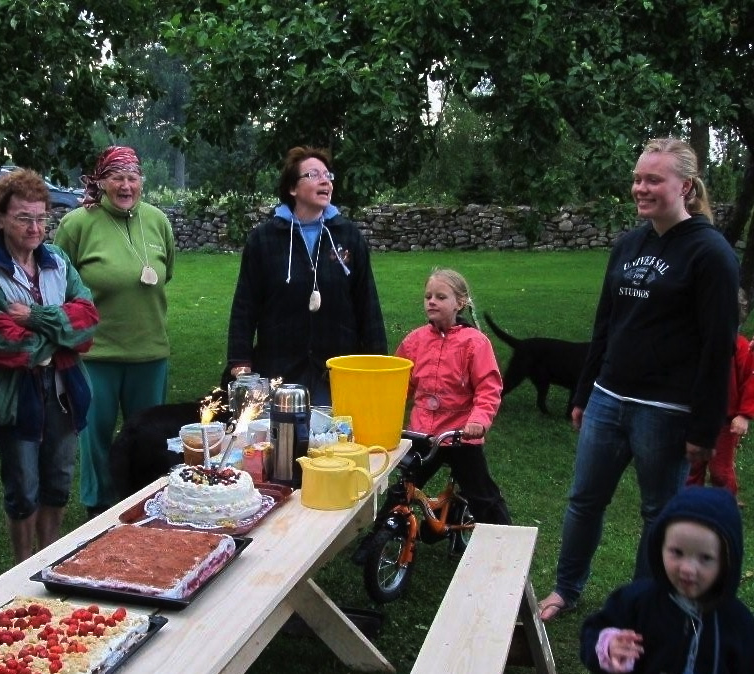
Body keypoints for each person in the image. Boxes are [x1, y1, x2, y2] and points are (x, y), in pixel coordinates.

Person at [538, 137, 740, 622]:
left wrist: (703, 427)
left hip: (666, 413)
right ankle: (566, 588)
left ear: (686, 187)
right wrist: (584, 391)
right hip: (608, 400)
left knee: (658, 515)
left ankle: (646, 607)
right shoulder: (629, 244)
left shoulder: (711, 254)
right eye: (637, 178)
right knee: (585, 500)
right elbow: (604, 325)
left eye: (653, 179)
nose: (640, 188)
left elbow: (719, 349)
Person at [0, 169, 99, 563]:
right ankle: (21, 569)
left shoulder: (57, 261)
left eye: (41, 218)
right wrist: (59, 334)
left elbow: (87, 324)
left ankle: (49, 560)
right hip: (12, 395)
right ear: (0, 217)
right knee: (23, 488)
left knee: (57, 482)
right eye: (23, 218)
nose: (35, 228)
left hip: (63, 390)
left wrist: (36, 317)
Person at [353, 268, 508, 564]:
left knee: (482, 495)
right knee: (402, 491)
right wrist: (379, 412)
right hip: (423, 434)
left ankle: (507, 544)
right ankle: (378, 538)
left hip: (461, 435)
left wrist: (479, 421)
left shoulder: (474, 343)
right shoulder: (414, 341)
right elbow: (400, 384)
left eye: (440, 296)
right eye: (428, 297)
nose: (431, 302)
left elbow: (488, 387)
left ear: (459, 303)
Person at [54, 146, 176, 518]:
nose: (126, 185)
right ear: (101, 182)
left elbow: (165, 271)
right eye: (117, 177)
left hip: (149, 353)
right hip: (96, 355)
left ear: (141, 182)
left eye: (132, 177)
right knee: (96, 439)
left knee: (151, 440)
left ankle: (146, 504)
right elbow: (58, 281)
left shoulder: (157, 221)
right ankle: (99, 510)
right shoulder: (76, 224)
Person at [226, 146, 387, 405]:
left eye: (328, 175)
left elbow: (367, 303)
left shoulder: (348, 236)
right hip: (279, 369)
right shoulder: (264, 239)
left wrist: (378, 362)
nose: (325, 180)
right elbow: (245, 305)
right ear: (292, 188)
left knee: (335, 442)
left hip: (337, 371)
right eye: (313, 175)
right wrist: (240, 362)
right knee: (283, 441)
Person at [579, 486, 754, 673]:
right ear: (659, 547)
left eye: (705, 558)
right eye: (677, 552)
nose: (687, 569)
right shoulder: (636, 601)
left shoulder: (738, 623)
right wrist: (609, 646)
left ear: (726, 562)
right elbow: (592, 633)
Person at [686, 288, 754, 503]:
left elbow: (750, 382)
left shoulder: (743, 348)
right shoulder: (697, 344)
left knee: (720, 470)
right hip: (697, 414)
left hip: (726, 421)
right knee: (692, 463)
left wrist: (744, 415)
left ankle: (725, 502)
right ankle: (690, 502)